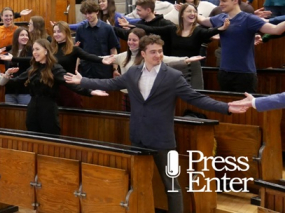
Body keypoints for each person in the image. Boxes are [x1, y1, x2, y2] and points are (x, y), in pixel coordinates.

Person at [65, 34, 247, 213]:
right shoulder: (133, 72)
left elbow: (196, 98)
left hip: (164, 140)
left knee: (172, 185)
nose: (158, 55)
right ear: (143, 54)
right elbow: (110, 83)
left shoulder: (173, 76)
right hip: (138, 136)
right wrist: (83, 81)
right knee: (139, 184)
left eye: (160, 51)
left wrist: (227, 107)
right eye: (153, 52)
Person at [198, 0, 285, 93]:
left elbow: (276, 30)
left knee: (246, 108)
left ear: (235, 0)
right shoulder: (220, 18)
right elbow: (202, 21)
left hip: (245, 74)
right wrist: (188, 10)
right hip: (224, 73)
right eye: (220, 0)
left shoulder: (249, 19)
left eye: (224, 1)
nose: (220, 4)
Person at [120, 3, 227, 89]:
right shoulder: (173, 29)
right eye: (189, 11)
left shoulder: (199, 31)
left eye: (195, 12)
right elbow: (152, 29)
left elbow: (210, 32)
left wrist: (220, 28)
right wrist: (131, 25)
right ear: (181, 14)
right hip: (175, 67)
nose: (193, 14)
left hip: (192, 68)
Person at [16, 39, 108, 134]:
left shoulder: (55, 68)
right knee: (32, 137)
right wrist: (3, 77)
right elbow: (17, 80)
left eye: (37, 49)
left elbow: (70, 84)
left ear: (46, 51)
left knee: (50, 137)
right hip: (32, 108)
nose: (34, 52)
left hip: (48, 109)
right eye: (33, 50)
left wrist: (90, 91)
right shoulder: (33, 68)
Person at [75, 0, 119, 79]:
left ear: (97, 12)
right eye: (85, 14)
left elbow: (113, 50)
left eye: (90, 13)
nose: (88, 16)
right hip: (86, 69)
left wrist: (115, 69)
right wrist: (76, 68)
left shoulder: (107, 28)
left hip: (103, 69)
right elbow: (78, 51)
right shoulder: (80, 29)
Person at [1, 27, 32, 105]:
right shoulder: (9, 52)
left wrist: (13, 58)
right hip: (10, 91)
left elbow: (31, 60)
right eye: (22, 35)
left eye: (26, 35)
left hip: (25, 91)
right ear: (16, 37)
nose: (25, 37)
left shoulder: (31, 51)